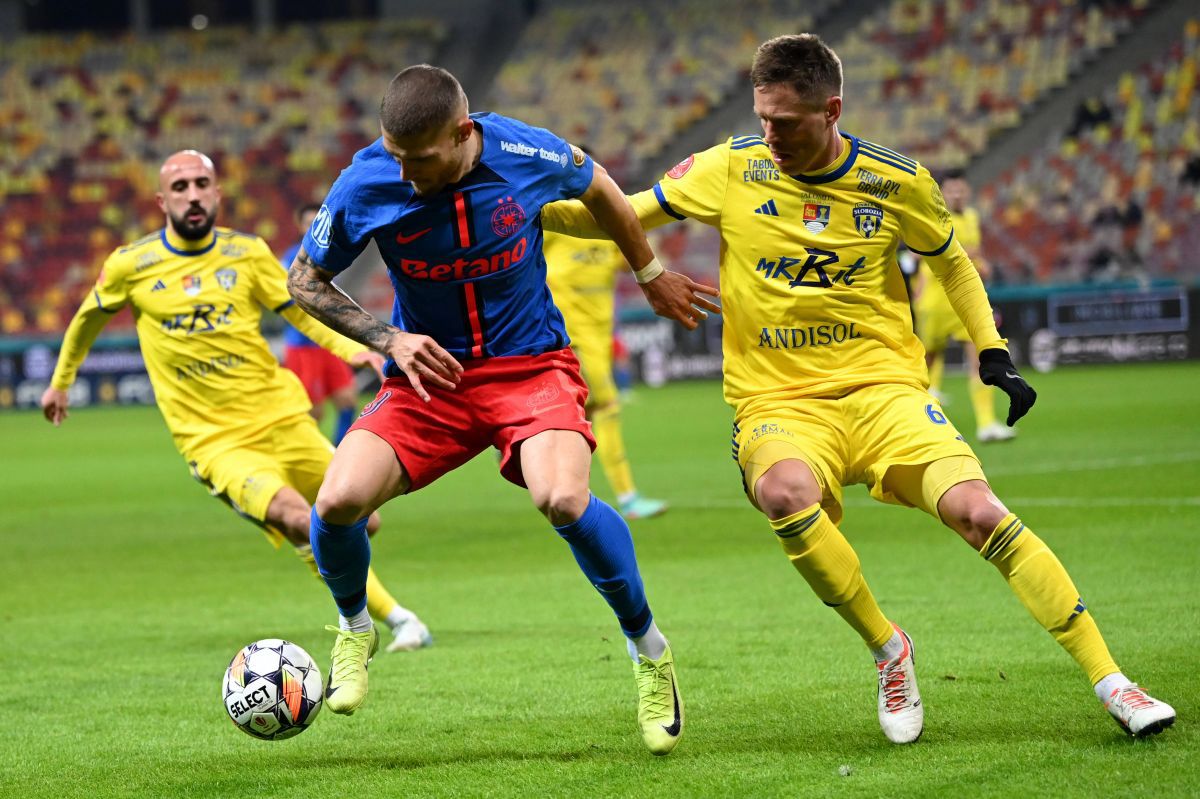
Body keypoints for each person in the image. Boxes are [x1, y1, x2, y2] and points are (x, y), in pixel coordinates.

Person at [542, 34, 1175, 741]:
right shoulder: (730, 167)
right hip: (778, 403)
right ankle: (888, 647)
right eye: (762, 118)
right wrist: (518, 203)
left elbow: (953, 263)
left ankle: (1114, 681)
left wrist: (992, 349)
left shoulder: (896, 181)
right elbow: (619, 212)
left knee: (980, 512)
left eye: (786, 122)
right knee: (785, 493)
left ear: (832, 110)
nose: (770, 135)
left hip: (884, 392)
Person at [285, 65, 719, 754]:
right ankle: (355, 626)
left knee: (563, 498)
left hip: (530, 367)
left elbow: (602, 187)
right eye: (397, 157)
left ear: (463, 132)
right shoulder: (367, 180)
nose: (406, 175)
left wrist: (650, 272)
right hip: (430, 378)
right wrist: (388, 338)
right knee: (336, 500)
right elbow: (304, 279)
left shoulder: (525, 150)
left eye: (421, 160)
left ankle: (649, 649)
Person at [41, 150, 433, 655]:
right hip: (215, 441)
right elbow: (87, 318)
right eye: (180, 187)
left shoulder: (246, 253)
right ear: (162, 201)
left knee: (363, 520)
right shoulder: (130, 265)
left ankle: (366, 600)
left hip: (282, 417)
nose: (192, 195)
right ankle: (390, 621)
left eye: (201, 184)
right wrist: (61, 381)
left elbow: (300, 308)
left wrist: (353, 347)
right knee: (298, 517)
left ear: (217, 193)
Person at [544, 226, 668, 520]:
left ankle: (518, 441)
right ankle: (628, 498)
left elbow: (631, 261)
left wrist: (633, 229)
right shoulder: (554, 225)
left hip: (600, 338)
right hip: (570, 337)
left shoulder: (604, 229)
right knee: (607, 405)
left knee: (581, 412)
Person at [912, 170, 1013, 443]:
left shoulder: (971, 217)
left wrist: (982, 265)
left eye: (961, 190)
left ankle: (986, 424)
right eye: (951, 190)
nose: (956, 195)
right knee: (925, 363)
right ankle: (917, 422)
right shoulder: (932, 215)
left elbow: (974, 254)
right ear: (942, 193)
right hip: (935, 302)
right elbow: (917, 251)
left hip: (964, 301)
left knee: (979, 359)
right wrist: (967, 254)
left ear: (967, 192)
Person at [279, 203, 363, 445]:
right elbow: (288, 300)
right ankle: (306, 454)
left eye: (316, 223)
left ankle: (338, 454)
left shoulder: (335, 255)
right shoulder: (292, 259)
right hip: (304, 345)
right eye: (308, 224)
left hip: (330, 342)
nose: (312, 228)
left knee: (348, 399)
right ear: (300, 226)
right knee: (314, 412)